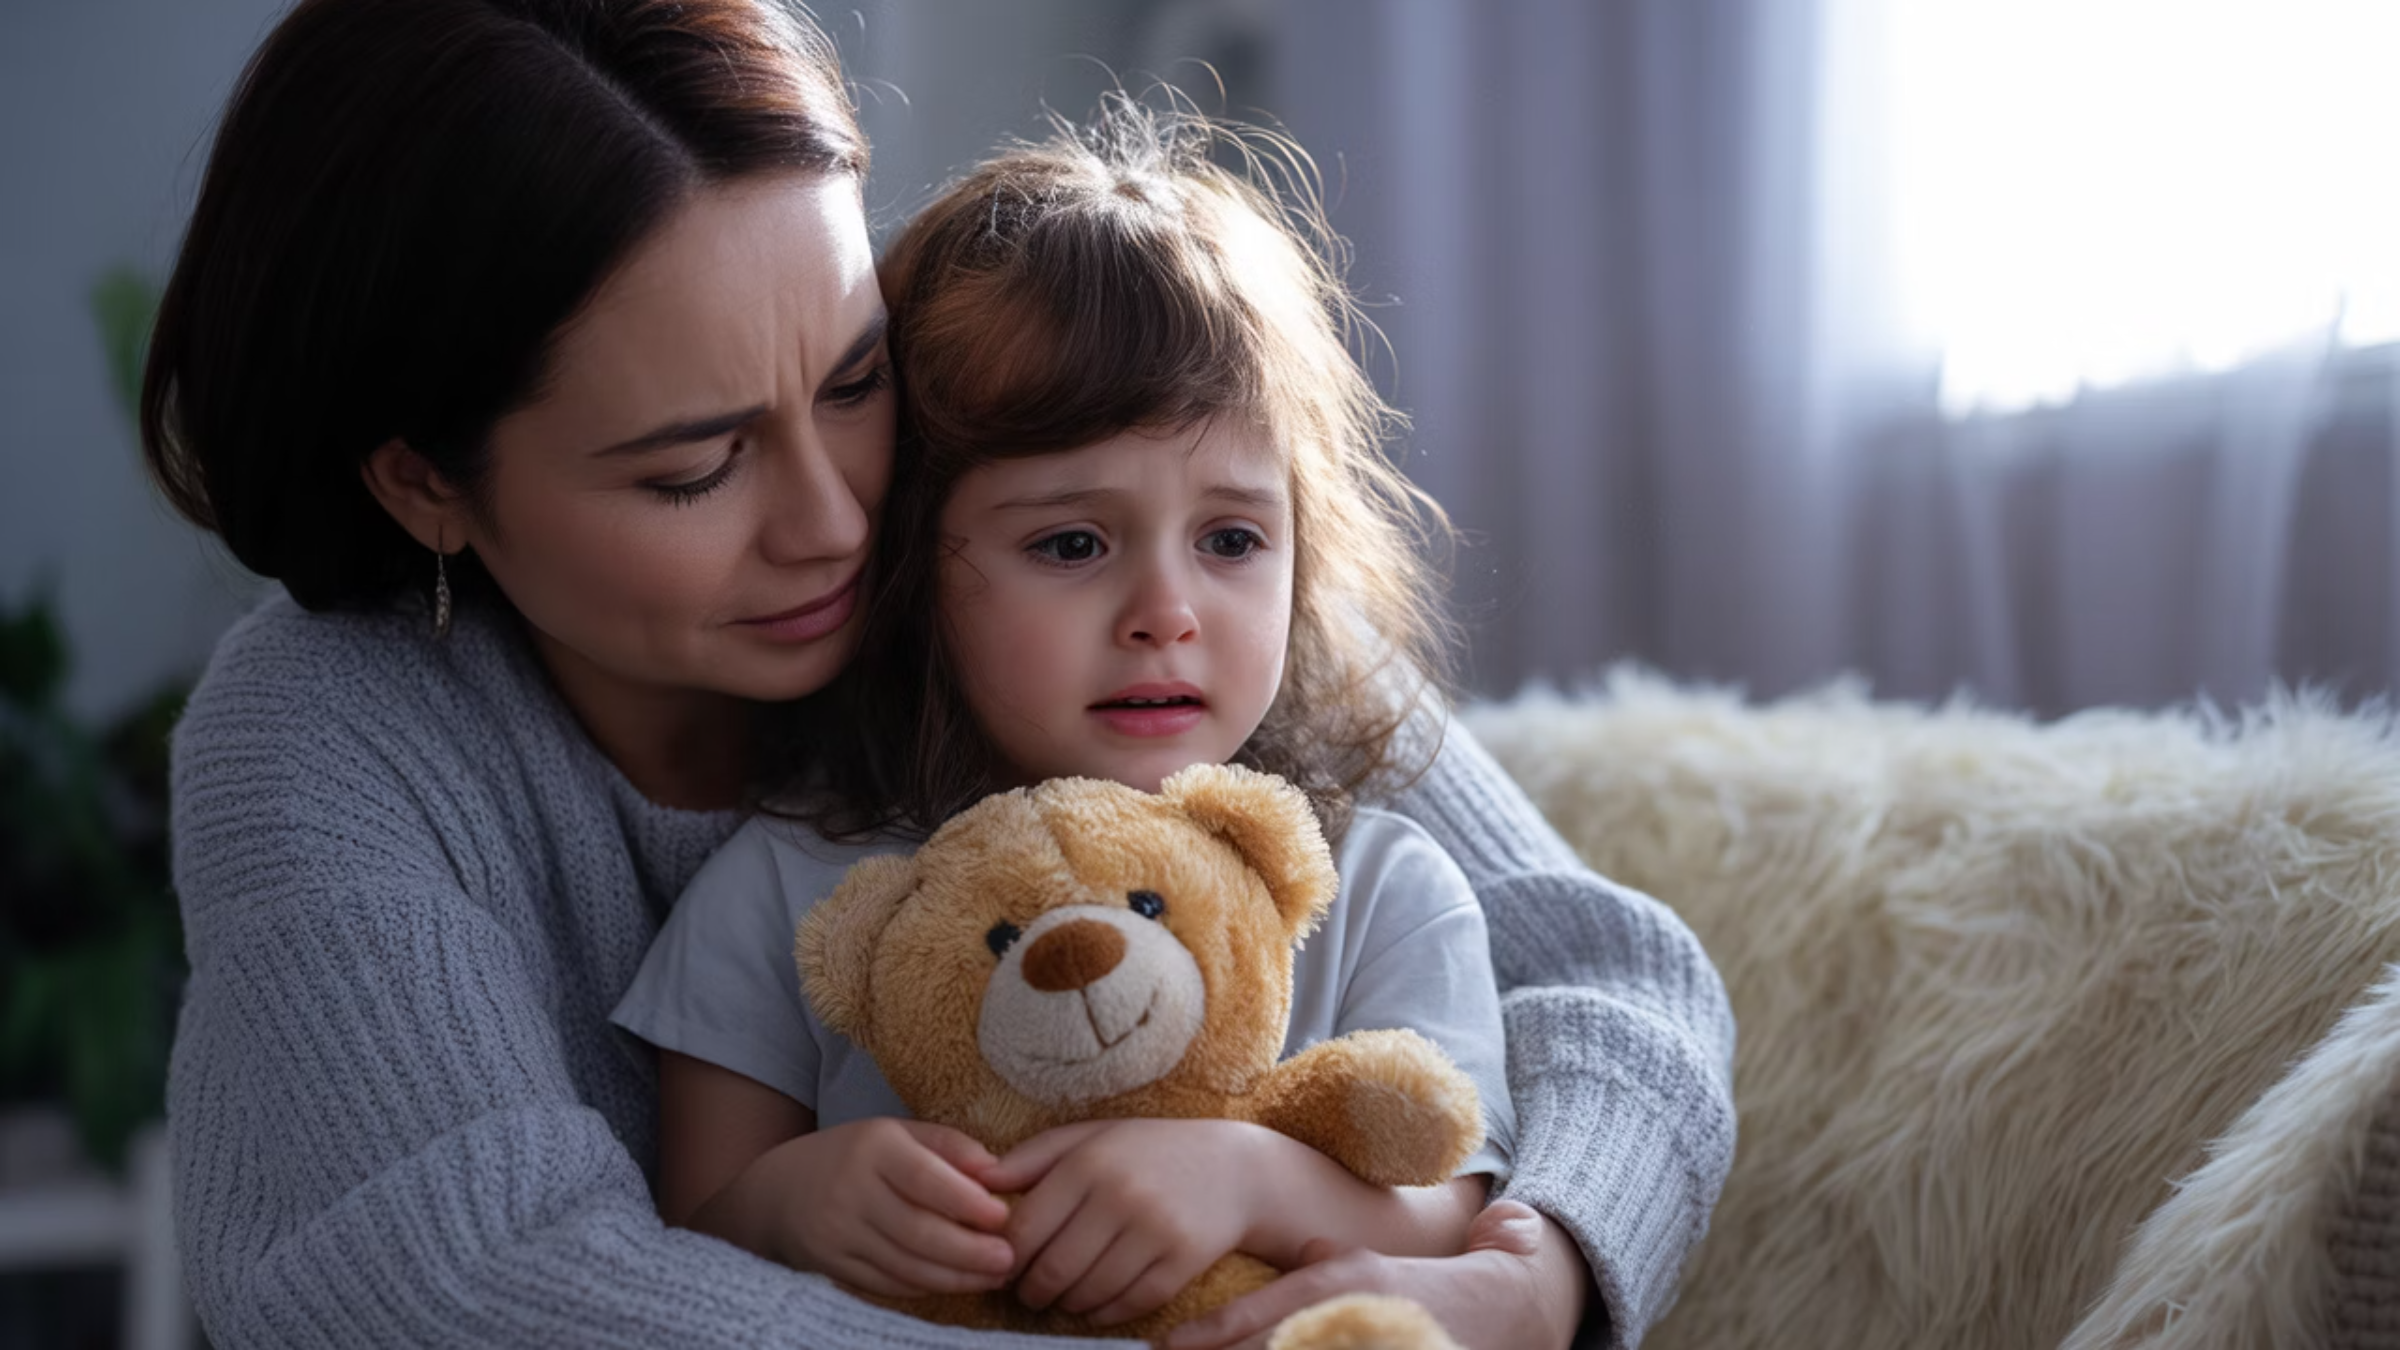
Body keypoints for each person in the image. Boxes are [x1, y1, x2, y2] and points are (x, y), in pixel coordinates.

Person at [140, 1, 1736, 1346]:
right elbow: (469, 1279)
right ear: (423, 479)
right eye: (697, 468)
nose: (844, 523)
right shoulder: (330, 735)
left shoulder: (1113, 569)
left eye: (852, 382)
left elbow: (1613, 980)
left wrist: (1525, 1280)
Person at [611, 101, 1518, 1334]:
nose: (1167, 611)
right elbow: (667, 1240)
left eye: (1234, 539)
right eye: (1073, 542)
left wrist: (1249, 1177)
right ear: (911, 562)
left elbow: (1450, 1218)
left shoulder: (1375, 886)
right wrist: (788, 1206)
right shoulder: (787, 889)